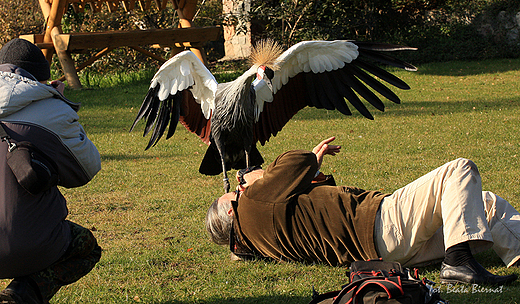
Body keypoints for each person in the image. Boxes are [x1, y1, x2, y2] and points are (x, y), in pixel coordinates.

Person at [206, 136, 520, 285]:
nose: (236, 191)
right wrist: (251, 176)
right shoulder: (251, 205)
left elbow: (310, 202)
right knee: (459, 171)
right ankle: (459, 263)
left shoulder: (260, 239)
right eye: (230, 196)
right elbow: (293, 162)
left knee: (482, 201)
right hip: (385, 224)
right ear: (231, 213)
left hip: (385, 252)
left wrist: (312, 170)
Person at [0, 39, 102, 304]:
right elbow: (86, 169)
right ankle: (22, 294)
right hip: (29, 245)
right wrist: (59, 105)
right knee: (86, 249)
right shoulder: (52, 110)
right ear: (41, 77)